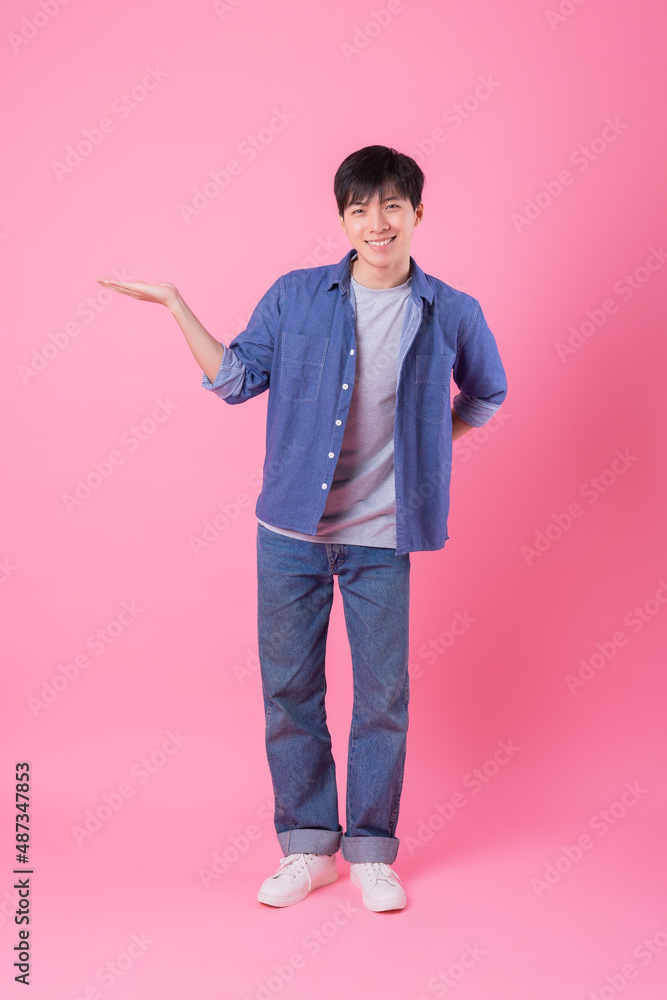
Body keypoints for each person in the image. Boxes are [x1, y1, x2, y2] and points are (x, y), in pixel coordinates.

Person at [97, 144, 507, 913]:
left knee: (382, 695)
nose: (375, 222)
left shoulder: (452, 310)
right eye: (358, 208)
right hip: (288, 530)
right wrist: (177, 305)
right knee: (290, 689)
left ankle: (373, 852)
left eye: (391, 205)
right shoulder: (296, 298)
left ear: (418, 213)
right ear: (342, 218)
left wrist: (426, 451)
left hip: (383, 536)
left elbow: (485, 393)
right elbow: (235, 381)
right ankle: (310, 847)